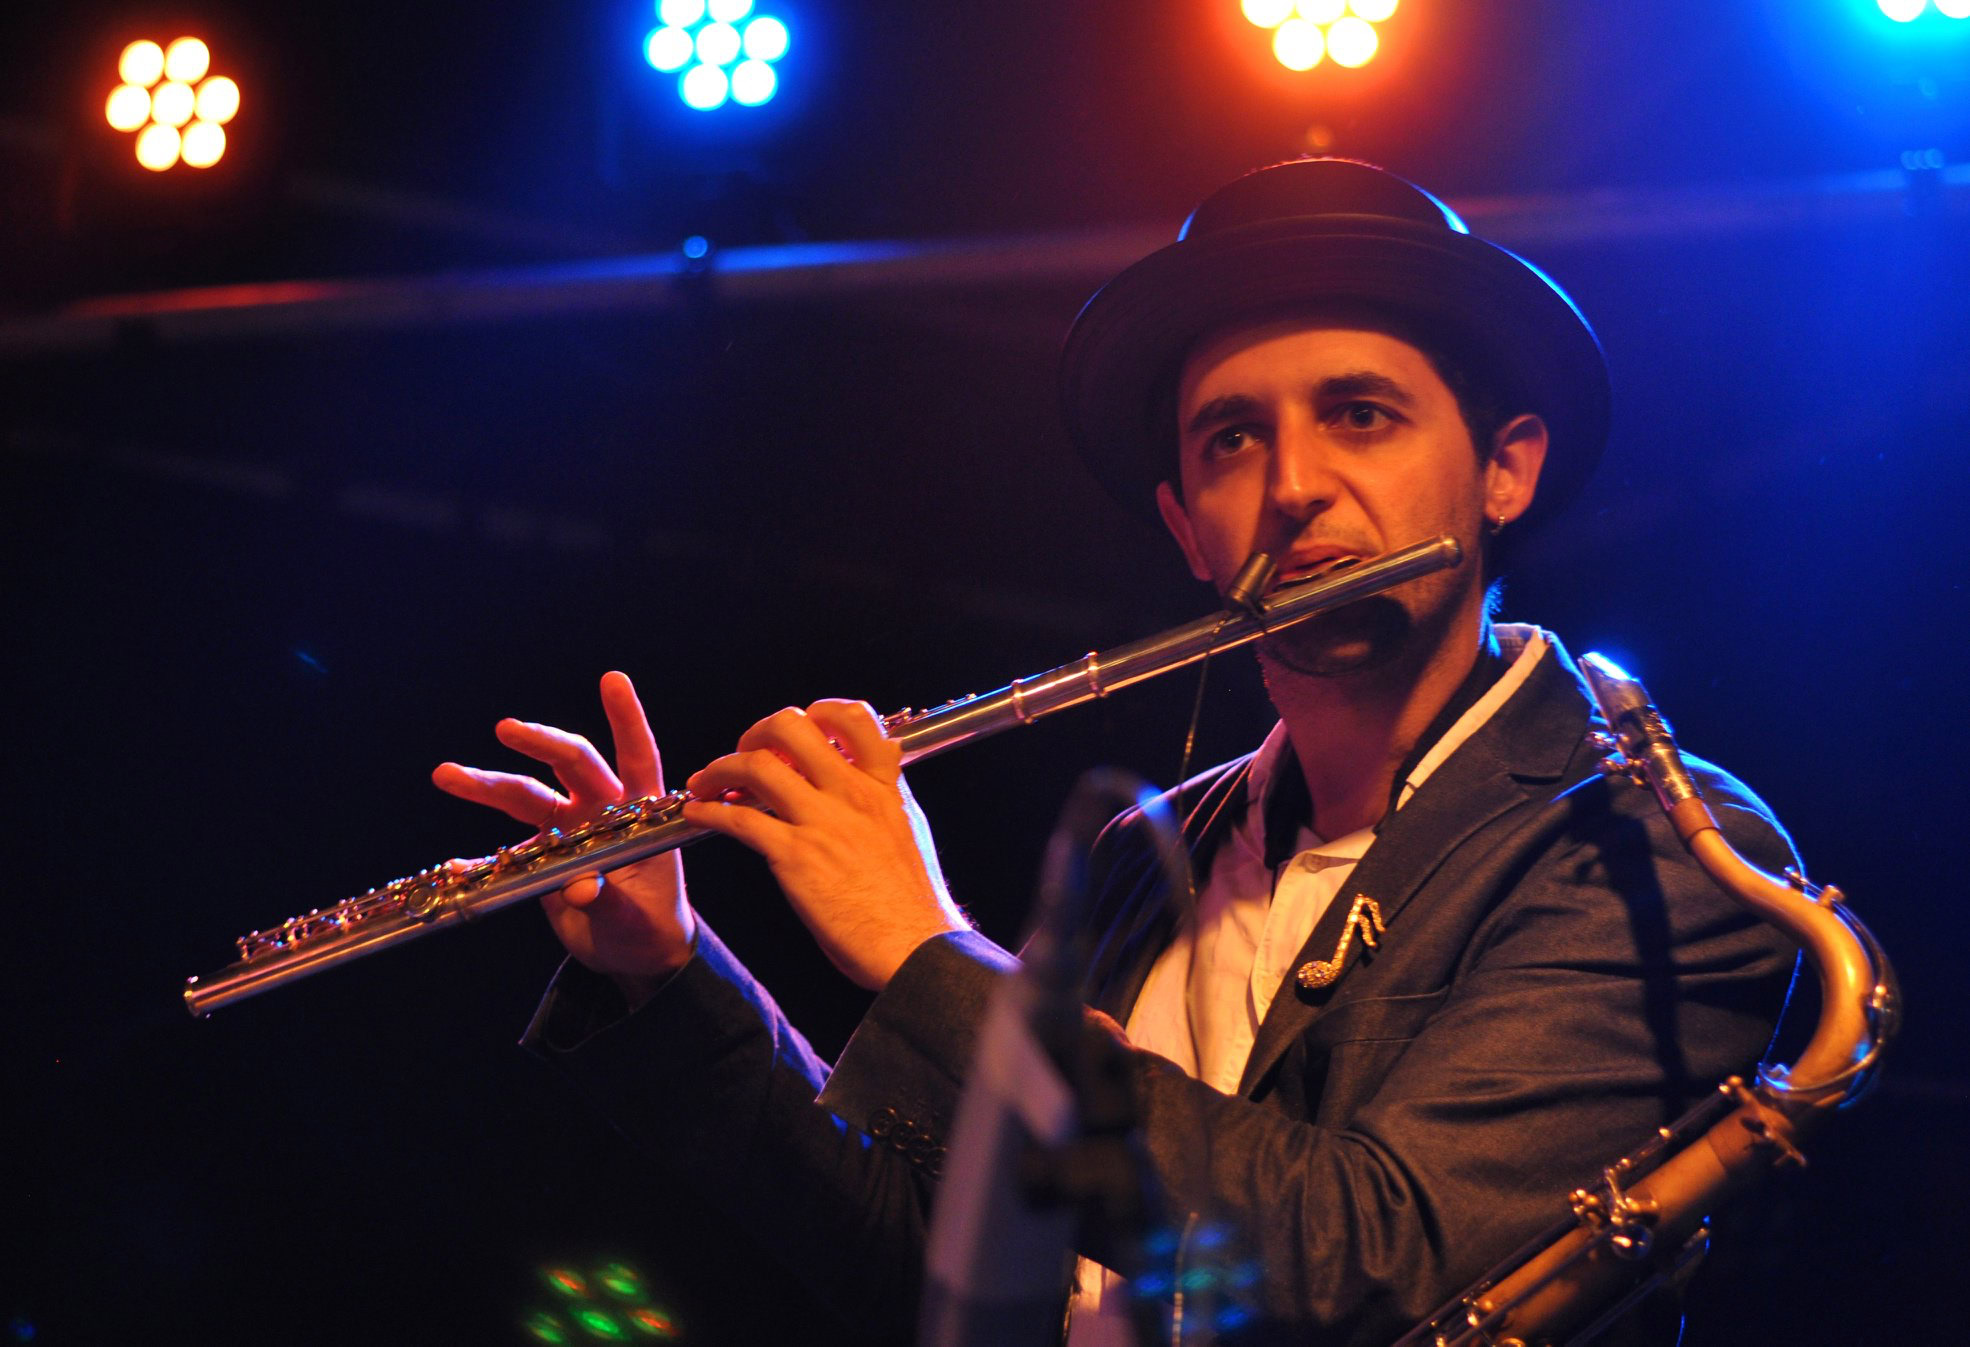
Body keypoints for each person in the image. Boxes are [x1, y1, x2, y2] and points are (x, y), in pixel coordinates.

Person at [433, 159, 1798, 1345]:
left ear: (1504, 471)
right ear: (1186, 525)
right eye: (1232, 439)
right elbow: (939, 1276)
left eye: (1360, 415)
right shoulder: (1147, 858)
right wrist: (669, 975)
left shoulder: (1654, 852)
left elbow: (1375, 1267)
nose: (1293, 485)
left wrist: (926, 955)